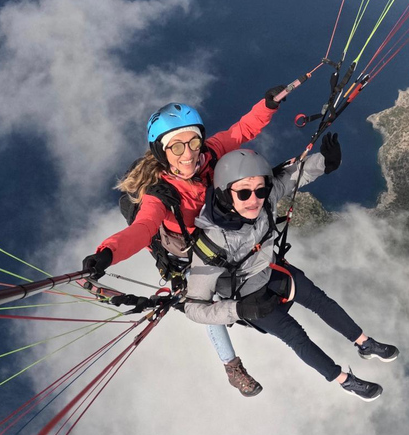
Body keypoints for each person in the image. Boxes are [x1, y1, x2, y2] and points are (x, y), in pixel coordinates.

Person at [82, 88, 285, 397]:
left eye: (192, 142)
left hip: (218, 235)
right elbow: (143, 228)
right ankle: (232, 367)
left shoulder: (210, 154)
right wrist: (107, 253)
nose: (188, 154)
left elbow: (242, 130)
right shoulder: (162, 194)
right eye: (176, 147)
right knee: (202, 305)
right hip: (189, 254)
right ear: (163, 153)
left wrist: (268, 105)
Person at [183, 136, 399, 401]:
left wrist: (326, 162)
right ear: (225, 194)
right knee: (296, 336)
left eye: (260, 190)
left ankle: (364, 342)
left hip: (269, 271)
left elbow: (292, 177)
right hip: (245, 298)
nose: (255, 200)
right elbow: (193, 308)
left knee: (320, 300)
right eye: (244, 193)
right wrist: (236, 310)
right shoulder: (213, 242)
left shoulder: (263, 200)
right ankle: (345, 380)